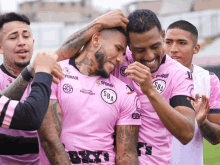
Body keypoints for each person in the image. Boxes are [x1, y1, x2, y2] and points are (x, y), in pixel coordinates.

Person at [49, 9, 196, 165]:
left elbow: (186, 134)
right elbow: (59, 58)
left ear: (163, 36)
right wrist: (96, 24)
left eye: (155, 46)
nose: (149, 56)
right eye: (140, 50)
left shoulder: (179, 74)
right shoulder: (119, 60)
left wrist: (150, 91)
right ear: (129, 47)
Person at [38, 26, 141, 164]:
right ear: (96, 39)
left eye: (123, 54)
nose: (120, 60)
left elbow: (127, 155)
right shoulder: (54, 73)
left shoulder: (126, 93)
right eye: (117, 49)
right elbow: (49, 139)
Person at [0, 12, 64, 164]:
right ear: (0, 47)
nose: (22, 42)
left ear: (33, 43)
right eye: (13, 37)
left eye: (26, 36)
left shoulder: (54, 76)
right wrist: (49, 142)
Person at [164, 20, 220, 165]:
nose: (173, 49)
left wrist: (203, 122)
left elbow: (217, 138)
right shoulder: (147, 76)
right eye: (168, 42)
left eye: (181, 43)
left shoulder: (209, 80)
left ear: (196, 48)